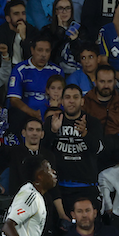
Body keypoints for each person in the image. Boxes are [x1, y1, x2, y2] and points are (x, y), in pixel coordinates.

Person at [44, 85, 104, 213]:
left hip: (86, 187)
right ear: (62, 101)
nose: (71, 101)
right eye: (67, 97)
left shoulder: (93, 122)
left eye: (75, 97)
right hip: (59, 188)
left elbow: (98, 149)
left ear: (82, 101)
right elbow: (43, 151)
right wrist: (53, 131)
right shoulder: (52, 120)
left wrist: (85, 134)